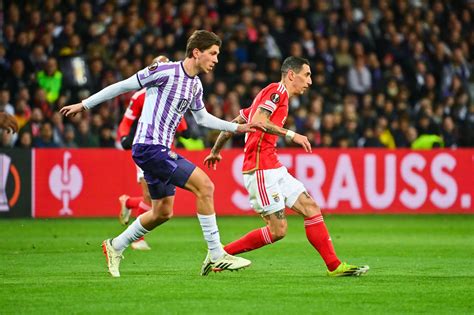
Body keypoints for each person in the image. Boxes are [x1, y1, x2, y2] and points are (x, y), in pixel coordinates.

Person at [60, 30, 264, 277]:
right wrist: (84, 104)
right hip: (148, 147)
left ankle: (114, 246)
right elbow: (123, 86)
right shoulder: (165, 71)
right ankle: (216, 253)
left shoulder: (195, 85)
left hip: (160, 150)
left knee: (162, 212)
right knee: (205, 186)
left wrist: (238, 127)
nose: (216, 59)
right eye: (213, 53)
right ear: (196, 52)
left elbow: (202, 118)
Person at [204, 56, 369, 277]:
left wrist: (216, 151)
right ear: (292, 75)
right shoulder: (277, 92)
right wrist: (292, 134)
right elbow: (260, 122)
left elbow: (232, 125)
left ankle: (334, 266)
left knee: (311, 207)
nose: (310, 81)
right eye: (307, 75)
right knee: (278, 231)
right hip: (260, 168)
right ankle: (219, 254)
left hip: (273, 165)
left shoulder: (265, 96)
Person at [116, 55, 189, 251]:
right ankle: (136, 238)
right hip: (147, 147)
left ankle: (129, 202)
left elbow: (179, 120)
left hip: (166, 149)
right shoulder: (141, 95)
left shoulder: (175, 92)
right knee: (149, 195)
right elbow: (126, 120)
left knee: (160, 203)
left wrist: (185, 130)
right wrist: (124, 137)